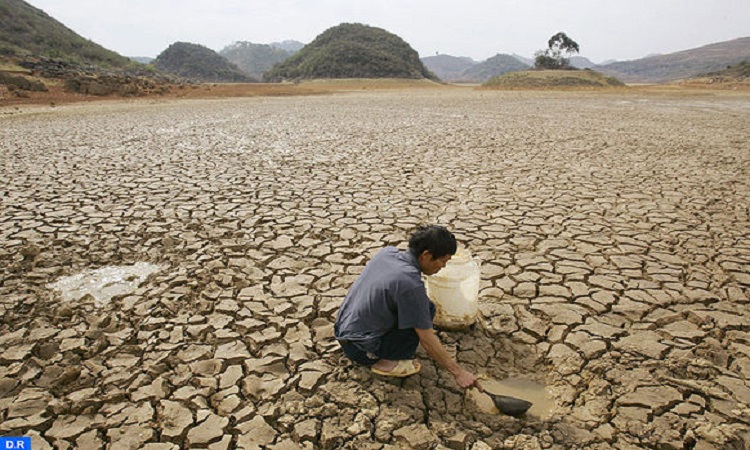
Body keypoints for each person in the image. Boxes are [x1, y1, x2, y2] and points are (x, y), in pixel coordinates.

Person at [334, 225, 482, 391]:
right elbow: (426, 339)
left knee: (425, 307)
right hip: (360, 349)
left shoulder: (387, 253)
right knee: (422, 315)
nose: (443, 266)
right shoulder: (410, 285)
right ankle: (386, 362)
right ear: (426, 255)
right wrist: (459, 372)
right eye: (443, 261)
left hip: (343, 331)